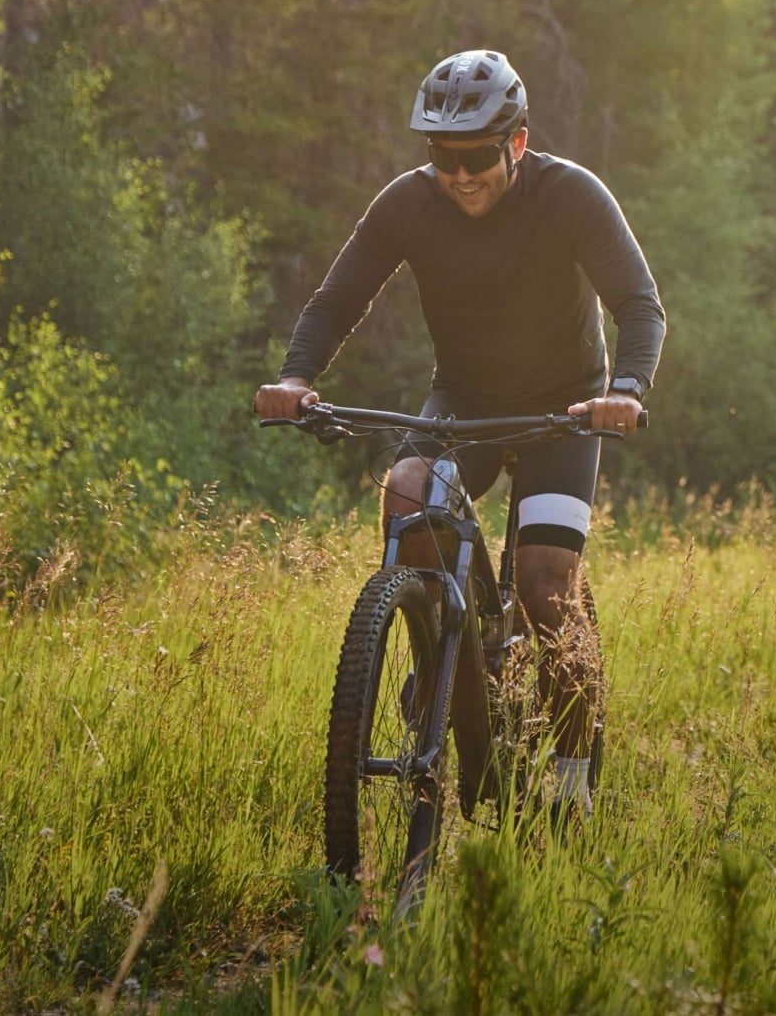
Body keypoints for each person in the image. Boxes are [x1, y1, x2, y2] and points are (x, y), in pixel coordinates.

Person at [253, 49, 664, 819]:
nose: (460, 174)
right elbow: (337, 298)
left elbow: (641, 307)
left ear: (516, 142)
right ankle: (444, 652)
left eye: (477, 155)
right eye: (444, 156)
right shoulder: (408, 204)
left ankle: (572, 788)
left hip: (565, 409)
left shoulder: (572, 196)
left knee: (545, 590)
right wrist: (296, 379)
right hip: (466, 398)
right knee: (408, 491)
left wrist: (625, 392)